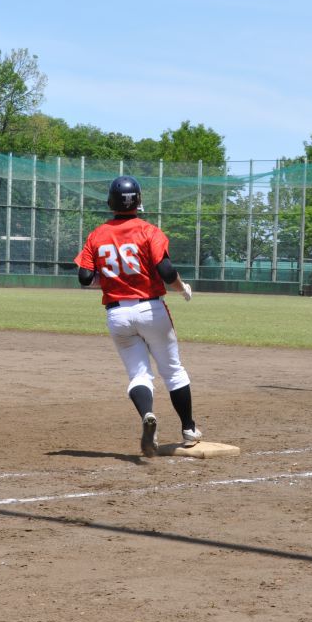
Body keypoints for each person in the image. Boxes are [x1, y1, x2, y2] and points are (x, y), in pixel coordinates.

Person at [75, 175, 202, 457]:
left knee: (138, 374)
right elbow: (166, 271)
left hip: (117, 314)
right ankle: (188, 429)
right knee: (173, 371)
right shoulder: (149, 231)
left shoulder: (97, 235)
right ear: (139, 201)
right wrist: (182, 288)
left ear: (110, 202)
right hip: (151, 309)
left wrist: (111, 279)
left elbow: (84, 277)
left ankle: (147, 414)